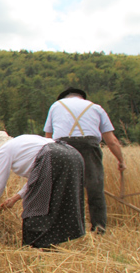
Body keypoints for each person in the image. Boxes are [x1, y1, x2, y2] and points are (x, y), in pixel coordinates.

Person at [43, 87, 126, 234]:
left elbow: (47, 138)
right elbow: (111, 141)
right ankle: (99, 228)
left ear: (64, 98)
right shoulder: (96, 107)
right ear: (82, 98)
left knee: (65, 188)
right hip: (89, 145)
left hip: (62, 146)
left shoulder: (56, 106)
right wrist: (121, 161)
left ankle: (67, 229)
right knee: (95, 188)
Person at [0, 131, 85, 248]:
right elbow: (36, 178)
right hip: (73, 153)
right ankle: (52, 243)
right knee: (57, 202)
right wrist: (15, 198)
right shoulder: (21, 142)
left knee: (35, 205)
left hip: (52, 156)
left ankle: (35, 245)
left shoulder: (4, 150)